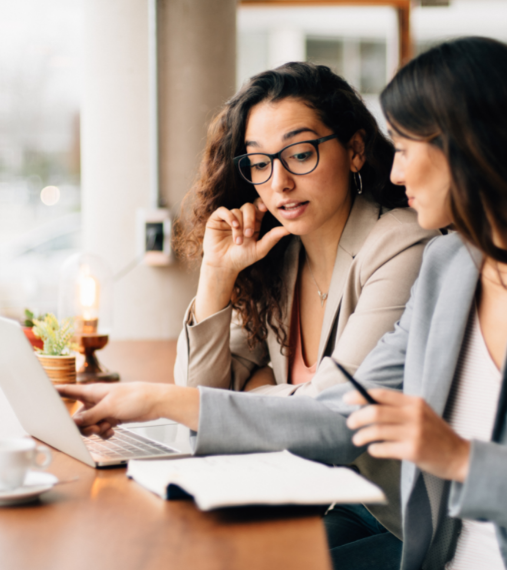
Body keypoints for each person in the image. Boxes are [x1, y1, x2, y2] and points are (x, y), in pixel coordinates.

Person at [59, 37, 507, 570]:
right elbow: (341, 415)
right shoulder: (452, 267)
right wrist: (152, 399)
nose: (397, 173)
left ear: (473, 149)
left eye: (408, 148)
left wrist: (458, 457)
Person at [176, 62, 435, 555]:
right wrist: (216, 275)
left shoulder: (400, 244)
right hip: (319, 497)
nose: (279, 183)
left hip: (399, 517)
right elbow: (202, 402)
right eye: (259, 162)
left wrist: (260, 390)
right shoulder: (279, 254)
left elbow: (330, 415)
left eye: (300, 154)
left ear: (355, 150)